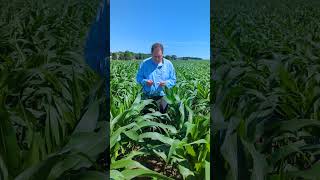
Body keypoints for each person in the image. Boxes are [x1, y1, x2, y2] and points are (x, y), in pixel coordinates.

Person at [136, 43, 176, 113]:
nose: (157, 59)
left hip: (163, 96)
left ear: (163, 54)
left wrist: (166, 83)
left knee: (163, 117)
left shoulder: (169, 64)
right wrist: (145, 82)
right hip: (147, 96)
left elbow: (173, 80)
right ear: (151, 54)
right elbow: (138, 78)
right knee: (147, 119)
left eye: (159, 56)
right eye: (155, 56)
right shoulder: (144, 63)